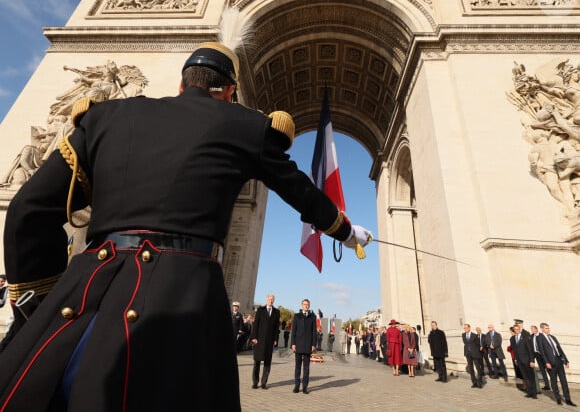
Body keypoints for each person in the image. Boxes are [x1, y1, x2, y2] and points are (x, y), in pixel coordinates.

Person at [0, 32, 372, 411]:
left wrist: (39, 304)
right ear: (230, 91)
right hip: (182, 300)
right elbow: (302, 193)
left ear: (181, 83)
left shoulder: (105, 116)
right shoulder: (247, 126)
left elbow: (28, 210)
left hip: (82, 299)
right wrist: (343, 230)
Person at [536, 323, 576, 406]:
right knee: (554, 381)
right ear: (542, 329)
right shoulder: (539, 337)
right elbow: (542, 351)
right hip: (550, 362)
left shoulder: (553, 337)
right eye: (546, 328)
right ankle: (558, 399)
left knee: (564, 381)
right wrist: (546, 362)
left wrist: (565, 360)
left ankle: (568, 399)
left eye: (548, 328)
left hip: (559, 361)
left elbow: (559, 349)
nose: (548, 330)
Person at [250, 293, 280, 389]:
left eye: (272, 299)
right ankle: (255, 382)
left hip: (269, 341)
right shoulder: (260, 310)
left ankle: (264, 383)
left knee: (267, 362)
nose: (271, 301)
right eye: (269, 299)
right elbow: (256, 325)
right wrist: (254, 337)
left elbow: (276, 327)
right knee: (257, 362)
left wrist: (275, 339)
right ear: (266, 299)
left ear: (274, 300)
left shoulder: (276, 312)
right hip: (259, 340)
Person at [291, 299, 317, 394]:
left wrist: (313, 344)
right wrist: (293, 343)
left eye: (307, 304)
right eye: (304, 304)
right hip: (298, 345)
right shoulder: (297, 316)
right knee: (297, 367)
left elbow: (314, 332)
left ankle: (305, 387)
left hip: (308, 346)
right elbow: (293, 331)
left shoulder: (312, 317)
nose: (306, 306)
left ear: (309, 306)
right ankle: (296, 386)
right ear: (302, 305)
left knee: (306, 368)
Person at [510, 324, 537, 399]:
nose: (517, 330)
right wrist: (515, 359)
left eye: (518, 329)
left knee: (531, 377)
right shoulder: (512, 339)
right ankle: (529, 392)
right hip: (519, 361)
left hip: (527, 360)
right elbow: (514, 350)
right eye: (515, 329)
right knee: (525, 377)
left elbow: (530, 349)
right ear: (514, 330)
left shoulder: (525, 337)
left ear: (520, 329)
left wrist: (532, 361)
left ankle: (534, 393)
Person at [462, 323, 484, 388]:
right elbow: (465, 343)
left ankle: (480, 382)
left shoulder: (474, 335)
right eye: (464, 328)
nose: (465, 329)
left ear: (469, 328)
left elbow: (478, 344)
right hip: (467, 354)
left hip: (475, 354)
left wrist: (478, 352)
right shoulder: (463, 335)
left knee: (478, 368)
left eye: (466, 328)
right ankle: (474, 382)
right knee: (471, 369)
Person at [530, 324, 551, 391]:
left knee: (549, 370)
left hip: (543, 355)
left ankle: (553, 384)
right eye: (531, 329)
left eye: (533, 329)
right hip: (537, 355)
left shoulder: (541, 336)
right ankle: (547, 385)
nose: (532, 330)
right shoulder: (531, 336)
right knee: (542, 370)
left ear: (536, 329)